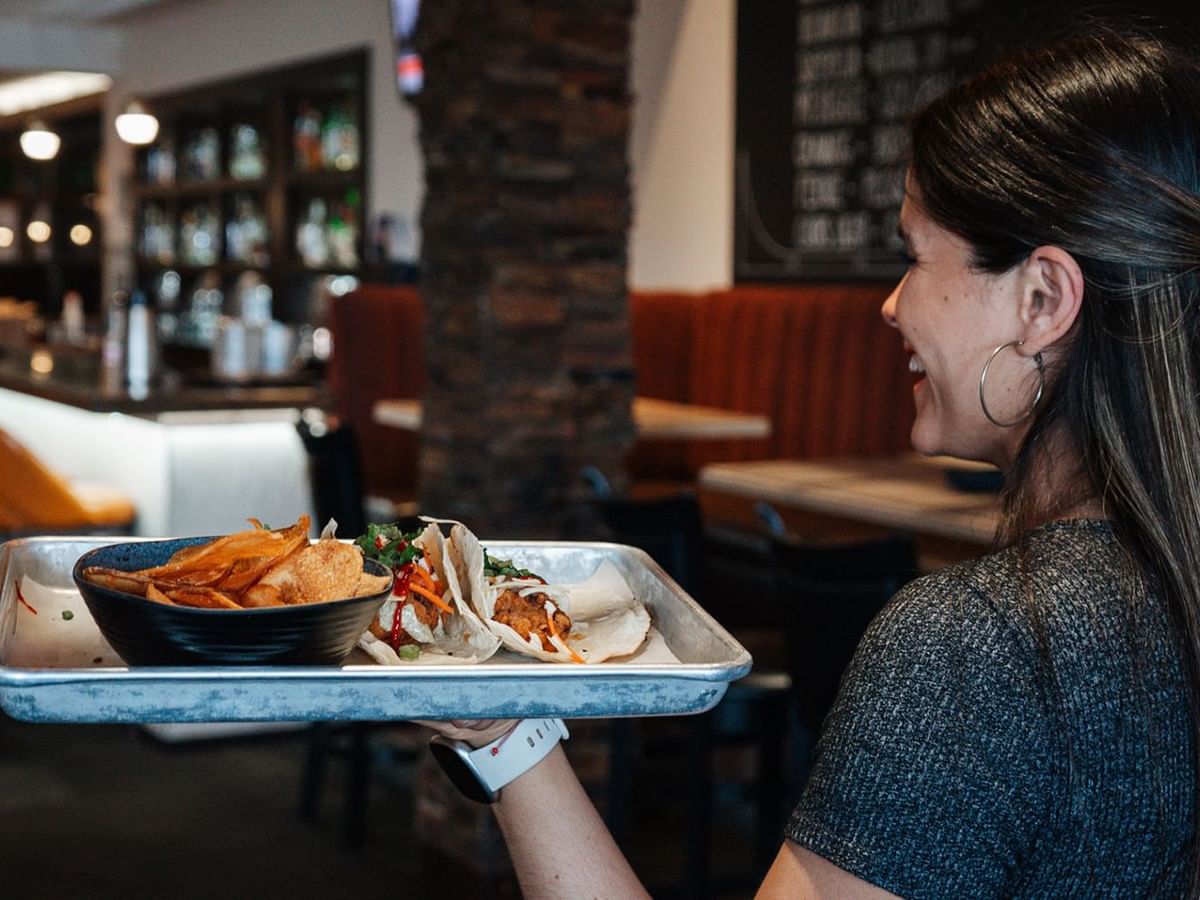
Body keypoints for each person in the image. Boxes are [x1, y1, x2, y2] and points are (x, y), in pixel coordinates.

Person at [424, 23, 1200, 898]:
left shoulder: (981, 650)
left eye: (913, 258)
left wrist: (506, 736)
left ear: (1043, 298)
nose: (892, 305)